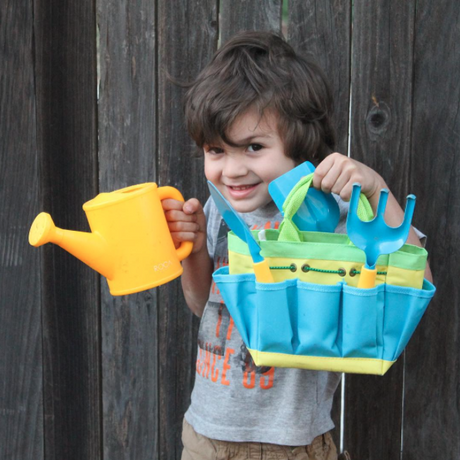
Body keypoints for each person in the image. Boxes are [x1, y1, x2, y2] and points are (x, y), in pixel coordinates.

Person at [162, 31, 432, 460]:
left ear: (299, 145)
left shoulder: (334, 216)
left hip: (291, 446)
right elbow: (206, 310)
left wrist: (379, 191)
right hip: (202, 437)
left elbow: (415, 288)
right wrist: (194, 252)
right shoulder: (219, 213)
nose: (232, 170)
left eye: (253, 147)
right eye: (216, 150)